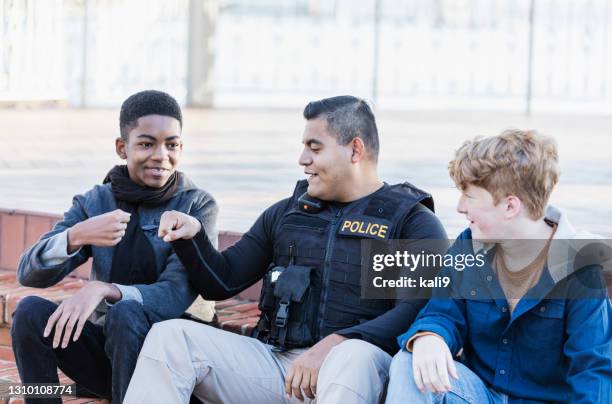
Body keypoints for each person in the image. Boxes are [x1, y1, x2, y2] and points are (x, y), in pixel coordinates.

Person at [124, 95, 448, 403]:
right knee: (171, 338)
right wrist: (190, 237)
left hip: (356, 373)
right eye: (304, 146)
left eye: (314, 147)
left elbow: (412, 312)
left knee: (354, 356)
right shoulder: (288, 214)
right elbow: (222, 281)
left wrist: (334, 344)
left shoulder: (406, 222)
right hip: (279, 368)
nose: (302, 159)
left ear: (355, 150)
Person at [11, 90, 218, 404]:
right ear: (122, 148)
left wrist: (105, 289)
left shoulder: (196, 205)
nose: (161, 155)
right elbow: (28, 273)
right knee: (30, 311)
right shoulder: (96, 202)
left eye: (171, 144)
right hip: (112, 356)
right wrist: (76, 235)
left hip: (173, 364)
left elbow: (176, 294)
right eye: (147, 143)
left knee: (125, 312)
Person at [386, 130, 612, 403]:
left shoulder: (579, 267)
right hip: (479, 394)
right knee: (408, 362)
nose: (459, 207)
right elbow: (443, 312)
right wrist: (430, 335)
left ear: (509, 206)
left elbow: (593, 372)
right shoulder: (468, 245)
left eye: (469, 197)